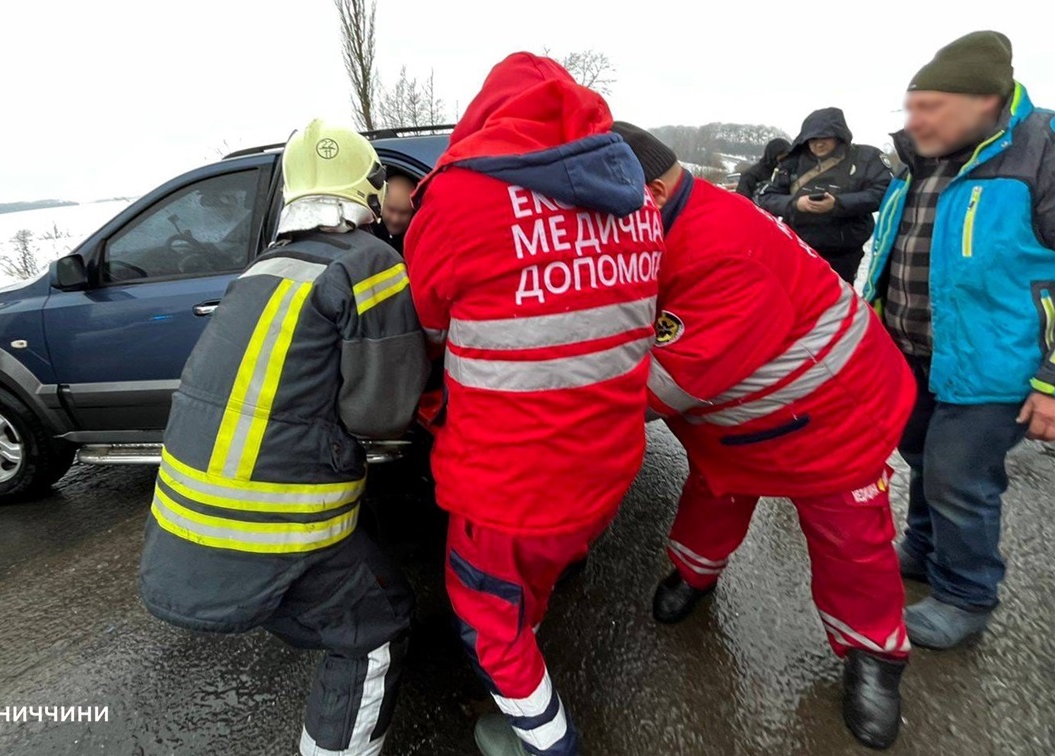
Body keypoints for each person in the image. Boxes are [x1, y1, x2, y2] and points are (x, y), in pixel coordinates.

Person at [614, 123, 916, 750]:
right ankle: (693, 574)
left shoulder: (721, 251)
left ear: (653, 190)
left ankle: (874, 655)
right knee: (714, 491)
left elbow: (660, 385)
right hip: (744, 419)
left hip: (831, 416)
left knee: (851, 537)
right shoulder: (675, 221)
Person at [138, 120, 429, 756]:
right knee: (374, 628)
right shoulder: (370, 260)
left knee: (363, 580)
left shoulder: (262, 268)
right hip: (268, 524)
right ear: (368, 190)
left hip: (184, 521)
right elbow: (382, 414)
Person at [405, 53, 662, 756]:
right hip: (604, 461)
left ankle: (546, 739)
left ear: (487, 116)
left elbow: (426, 327)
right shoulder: (637, 201)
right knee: (531, 584)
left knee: (485, 618)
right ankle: (528, 657)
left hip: (508, 481)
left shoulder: (457, 199)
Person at [864, 30, 1055, 650]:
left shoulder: (1040, 152)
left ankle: (967, 594)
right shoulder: (919, 157)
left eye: (931, 106)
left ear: (986, 101)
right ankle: (922, 550)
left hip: (996, 362)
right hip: (912, 350)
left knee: (958, 478)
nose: (913, 120)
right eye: (912, 106)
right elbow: (891, 248)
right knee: (921, 458)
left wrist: (1052, 383)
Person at [756, 108, 892, 283]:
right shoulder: (792, 162)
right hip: (799, 249)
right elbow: (766, 197)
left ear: (839, 136)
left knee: (838, 303)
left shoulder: (865, 158)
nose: (818, 144)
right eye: (813, 139)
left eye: (824, 138)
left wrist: (838, 204)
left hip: (845, 254)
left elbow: (883, 193)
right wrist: (796, 204)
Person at [371, 173, 415, 254]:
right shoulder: (367, 229)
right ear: (381, 202)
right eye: (391, 209)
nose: (395, 219)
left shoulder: (416, 242)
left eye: (403, 213)